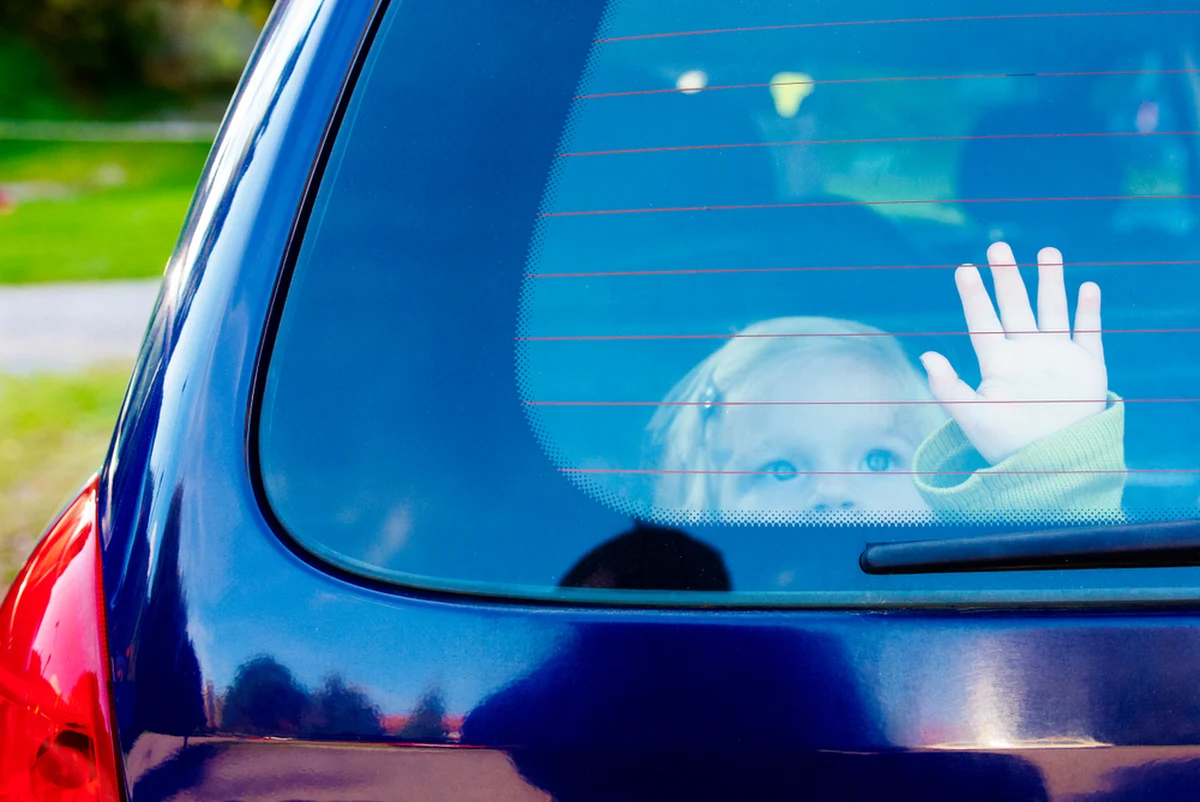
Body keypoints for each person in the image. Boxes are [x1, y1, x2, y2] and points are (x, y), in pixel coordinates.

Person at [646, 242, 1125, 517]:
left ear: (939, 489)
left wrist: (1052, 471)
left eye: (878, 460)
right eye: (780, 469)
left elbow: (1072, 589)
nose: (833, 494)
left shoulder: (967, 584)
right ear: (707, 505)